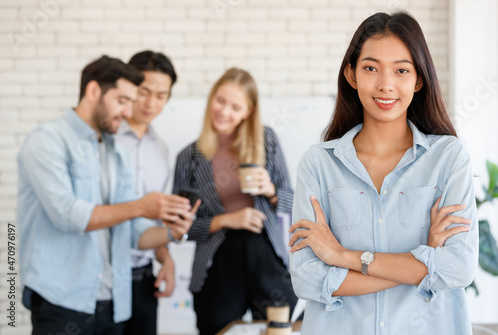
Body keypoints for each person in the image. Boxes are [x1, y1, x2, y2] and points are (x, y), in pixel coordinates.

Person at [288, 12, 478, 335]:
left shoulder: (448, 158)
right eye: (371, 68)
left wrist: (342, 256)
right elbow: (306, 278)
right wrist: (421, 263)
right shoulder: (318, 164)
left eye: (401, 70)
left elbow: (458, 268)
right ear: (351, 75)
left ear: (418, 80)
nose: (385, 84)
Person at [17, 55, 199, 335]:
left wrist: (173, 233)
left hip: (113, 301)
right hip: (62, 301)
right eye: (123, 100)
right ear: (93, 92)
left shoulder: (115, 153)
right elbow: (68, 215)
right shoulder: (47, 141)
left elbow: (132, 231)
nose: (130, 111)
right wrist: (140, 206)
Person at [173, 68, 298, 335]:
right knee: (216, 327)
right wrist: (226, 220)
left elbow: (293, 203)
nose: (224, 111)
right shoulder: (189, 158)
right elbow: (180, 229)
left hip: (265, 255)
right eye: (220, 101)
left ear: (248, 111)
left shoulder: (266, 141)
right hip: (216, 261)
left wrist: (270, 190)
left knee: (280, 330)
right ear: (211, 99)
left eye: (235, 106)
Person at [115, 50, 179, 335]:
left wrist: (164, 258)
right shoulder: (102, 140)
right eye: (144, 91)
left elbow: (154, 220)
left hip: (142, 280)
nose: (151, 103)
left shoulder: (161, 151)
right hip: (100, 277)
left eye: (161, 95)